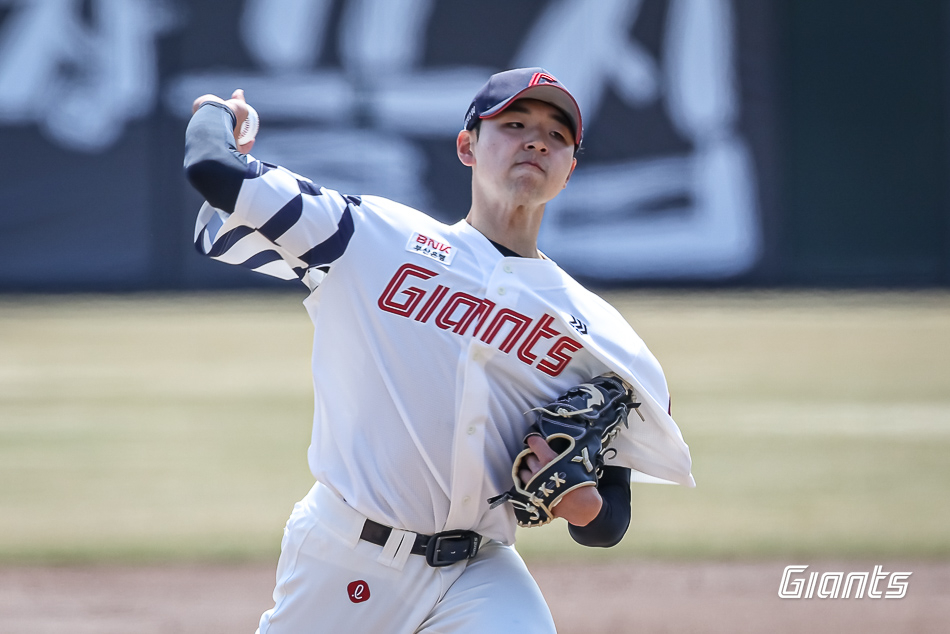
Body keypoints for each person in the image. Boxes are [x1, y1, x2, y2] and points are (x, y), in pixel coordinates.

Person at [183, 67, 693, 633]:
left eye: (556, 135)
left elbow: (610, 517)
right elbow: (213, 169)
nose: (535, 141)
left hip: (479, 575)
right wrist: (217, 112)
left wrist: (584, 506)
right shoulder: (371, 236)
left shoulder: (601, 333)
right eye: (515, 123)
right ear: (467, 145)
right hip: (344, 558)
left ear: (569, 170)